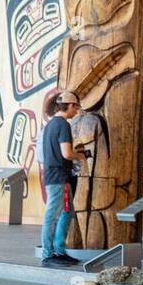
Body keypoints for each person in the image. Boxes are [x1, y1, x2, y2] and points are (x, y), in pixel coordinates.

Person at [41, 91, 87, 268]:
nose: (76, 111)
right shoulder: (63, 125)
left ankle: (59, 251)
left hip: (58, 177)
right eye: (75, 107)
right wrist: (80, 156)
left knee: (66, 212)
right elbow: (66, 153)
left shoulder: (51, 124)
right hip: (58, 179)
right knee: (52, 215)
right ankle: (48, 254)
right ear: (69, 105)